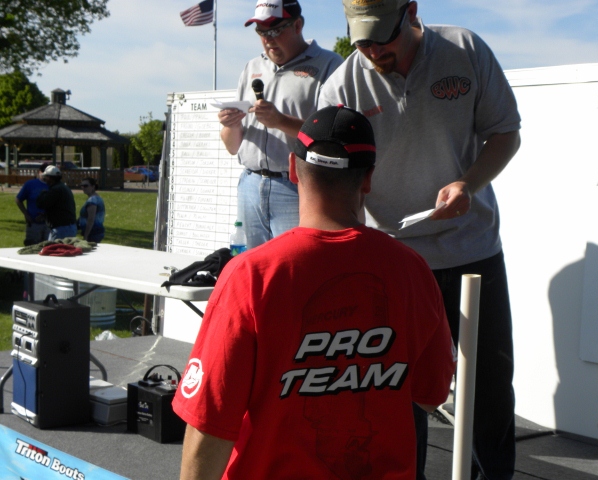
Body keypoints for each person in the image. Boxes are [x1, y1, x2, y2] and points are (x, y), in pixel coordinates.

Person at [173, 106, 456, 480]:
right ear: (368, 178)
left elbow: (209, 422)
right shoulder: (412, 270)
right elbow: (431, 394)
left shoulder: (252, 275)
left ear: (293, 168)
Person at [318, 2, 522, 479]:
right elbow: (334, 179)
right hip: (393, 260)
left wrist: (468, 184)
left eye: (381, 37)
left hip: (473, 250)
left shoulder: (464, 49)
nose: (372, 52)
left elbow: (506, 133)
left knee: (488, 386)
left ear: (410, 12)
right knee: (397, 390)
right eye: (361, 40)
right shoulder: (342, 86)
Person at [218, 0, 342, 249]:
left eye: (275, 30)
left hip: (298, 188)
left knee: (296, 264)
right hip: (250, 185)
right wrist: (230, 124)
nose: (268, 39)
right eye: (261, 31)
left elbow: (335, 137)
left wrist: (281, 121)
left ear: (298, 25)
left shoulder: (329, 65)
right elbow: (232, 147)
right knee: (252, 264)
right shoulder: (252, 67)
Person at [36, 165, 77, 240]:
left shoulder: (55, 190)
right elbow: (59, 207)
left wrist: (43, 193)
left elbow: (41, 203)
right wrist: (46, 215)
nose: (45, 179)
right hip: (68, 226)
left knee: (54, 247)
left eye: (46, 177)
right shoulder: (63, 187)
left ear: (50, 178)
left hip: (61, 229)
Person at [14, 163, 50, 245]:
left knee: (48, 247)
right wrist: (26, 214)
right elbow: (18, 199)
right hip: (33, 222)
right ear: (39, 172)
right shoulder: (30, 184)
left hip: (49, 223)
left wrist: (45, 215)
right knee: (32, 246)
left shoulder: (53, 185)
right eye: (43, 172)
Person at [77, 177, 105, 242]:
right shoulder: (96, 198)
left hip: (93, 233)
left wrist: (86, 236)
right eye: (82, 186)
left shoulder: (92, 200)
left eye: (86, 186)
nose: (83, 188)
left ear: (93, 186)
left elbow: (91, 219)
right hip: (95, 232)